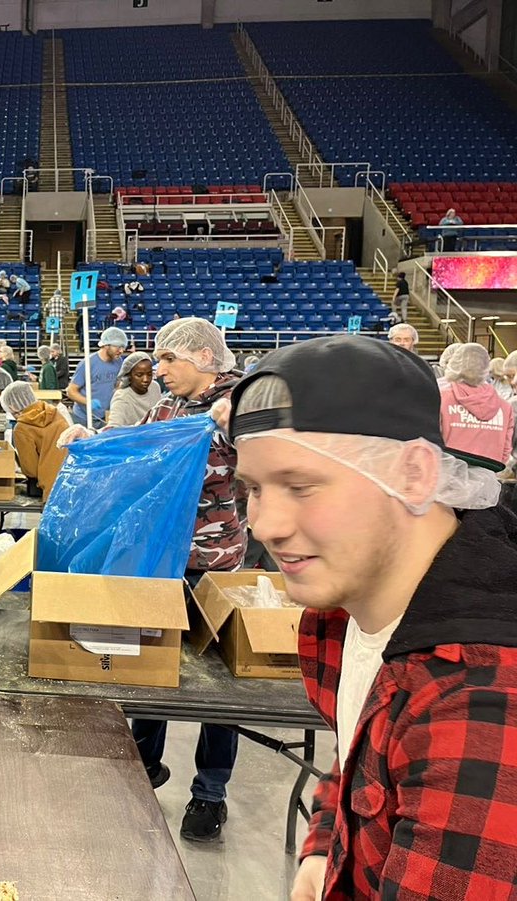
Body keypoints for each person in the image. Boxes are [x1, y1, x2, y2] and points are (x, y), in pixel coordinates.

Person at [226, 336, 516, 901]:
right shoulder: (349, 612)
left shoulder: (480, 698)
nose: (263, 525)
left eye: (301, 486)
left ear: (412, 474)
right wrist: (325, 845)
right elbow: (361, 756)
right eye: (254, 489)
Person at [129, 317, 246, 843]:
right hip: (161, 558)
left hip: (216, 563)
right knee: (151, 663)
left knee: (220, 690)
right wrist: (96, 441)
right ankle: (142, 765)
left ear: (202, 355)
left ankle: (209, 793)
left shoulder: (241, 404)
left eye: (168, 359)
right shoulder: (164, 406)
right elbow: (136, 454)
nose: (159, 368)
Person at [438, 342, 513, 467]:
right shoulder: (504, 407)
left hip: (448, 477)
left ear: (454, 363)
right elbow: (505, 452)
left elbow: (430, 443)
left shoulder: (440, 398)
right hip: (488, 479)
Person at [1, 381, 68, 498]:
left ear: (12, 407)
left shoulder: (22, 428)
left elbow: (31, 470)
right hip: (72, 480)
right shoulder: (55, 413)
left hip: (51, 489)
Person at [66, 327, 127, 427]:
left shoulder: (119, 362)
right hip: (83, 418)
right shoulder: (88, 364)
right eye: (118, 347)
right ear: (106, 345)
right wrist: (88, 402)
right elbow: (71, 391)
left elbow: (117, 385)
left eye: (123, 347)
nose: (121, 351)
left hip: (104, 418)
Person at [106, 351, 161, 428]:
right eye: (139, 375)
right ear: (129, 376)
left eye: (149, 374)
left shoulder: (154, 387)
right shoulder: (122, 397)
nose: (145, 379)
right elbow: (114, 427)